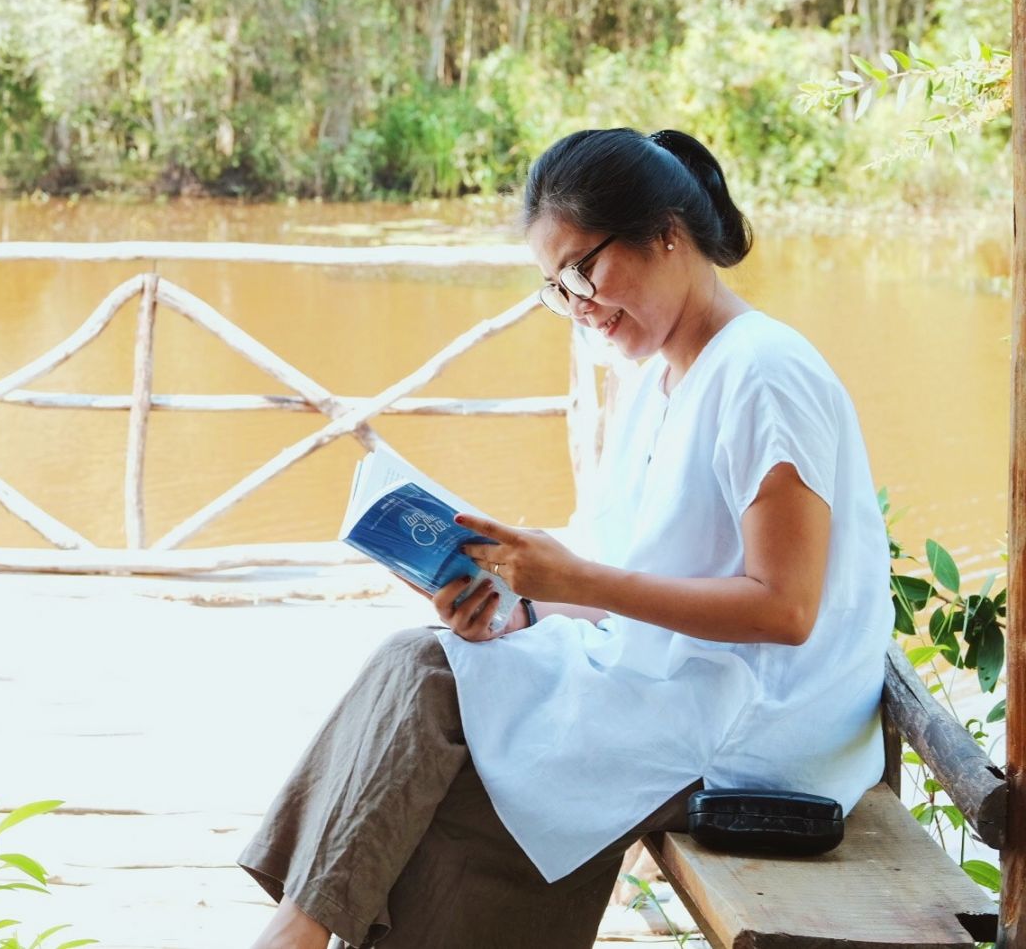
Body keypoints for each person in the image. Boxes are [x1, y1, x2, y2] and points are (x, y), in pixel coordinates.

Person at [238, 127, 894, 948]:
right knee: (426, 664)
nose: (578, 300)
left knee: (449, 747)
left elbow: (785, 608)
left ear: (666, 231)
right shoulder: (660, 376)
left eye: (584, 267)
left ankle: (294, 933)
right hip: (672, 682)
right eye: (556, 284)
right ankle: (298, 926)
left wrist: (573, 582)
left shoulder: (764, 373)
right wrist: (519, 610)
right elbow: (626, 570)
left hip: (758, 730)